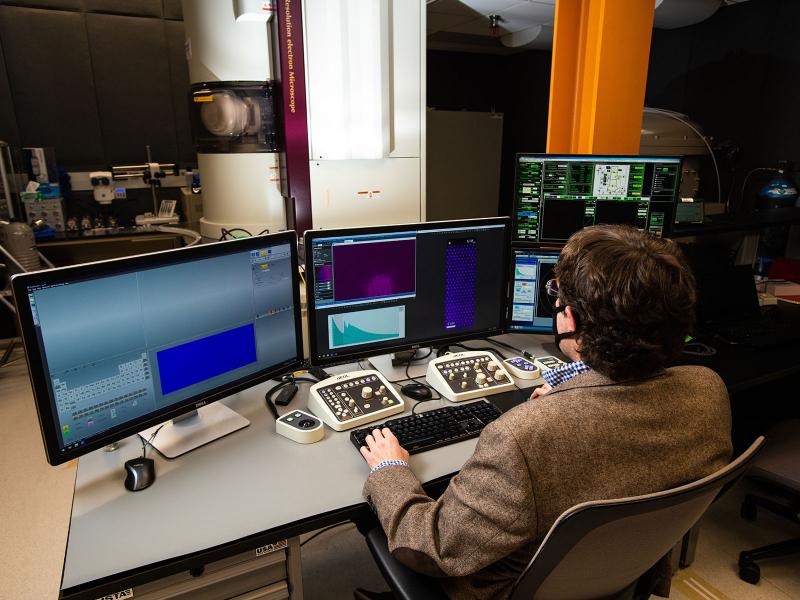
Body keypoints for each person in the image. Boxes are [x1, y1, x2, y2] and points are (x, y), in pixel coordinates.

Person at [359, 224, 732, 600]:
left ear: (570, 318)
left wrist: (390, 470)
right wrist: (567, 396)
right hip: (620, 579)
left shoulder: (523, 436)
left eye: (556, 293)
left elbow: (432, 547)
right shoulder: (706, 390)